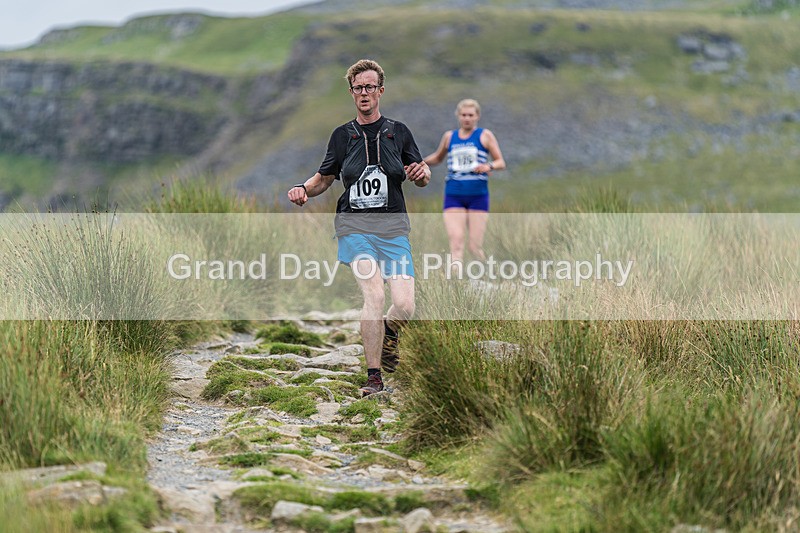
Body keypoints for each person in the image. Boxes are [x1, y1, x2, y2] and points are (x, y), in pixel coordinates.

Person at [287, 59, 430, 397]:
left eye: (369, 87)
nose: (364, 93)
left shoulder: (399, 132)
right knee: (375, 294)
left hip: (394, 230)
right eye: (358, 88)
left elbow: (421, 175)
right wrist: (304, 189)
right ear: (351, 93)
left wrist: (422, 176)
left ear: (380, 91)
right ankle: (374, 378)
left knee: (405, 305)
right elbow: (324, 179)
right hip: (355, 228)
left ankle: (388, 336)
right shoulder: (342, 136)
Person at [424, 99, 505, 265]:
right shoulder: (449, 137)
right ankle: (456, 281)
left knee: (474, 247)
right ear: (458, 116)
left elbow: (500, 162)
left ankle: (488, 276)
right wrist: (419, 162)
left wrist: (488, 166)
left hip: (478, 196)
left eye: (470, 115)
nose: (467, 118)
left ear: (477, 117)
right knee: (456, 243)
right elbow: (438, 158)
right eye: (463, 115)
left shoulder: (484, 135)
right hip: (454, 195)